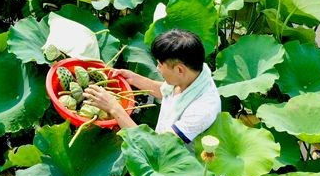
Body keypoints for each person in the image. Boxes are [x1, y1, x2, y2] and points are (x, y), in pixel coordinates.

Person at [83, 29, 221, 144]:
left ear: (179, 69)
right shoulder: (193, 74)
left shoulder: (203, 109)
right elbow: (168, 92)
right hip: (158, 141)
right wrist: (134, 78)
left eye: (160, 64)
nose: (157, 68)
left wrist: (114, 108)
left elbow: (158, 146)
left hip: (172, 167)